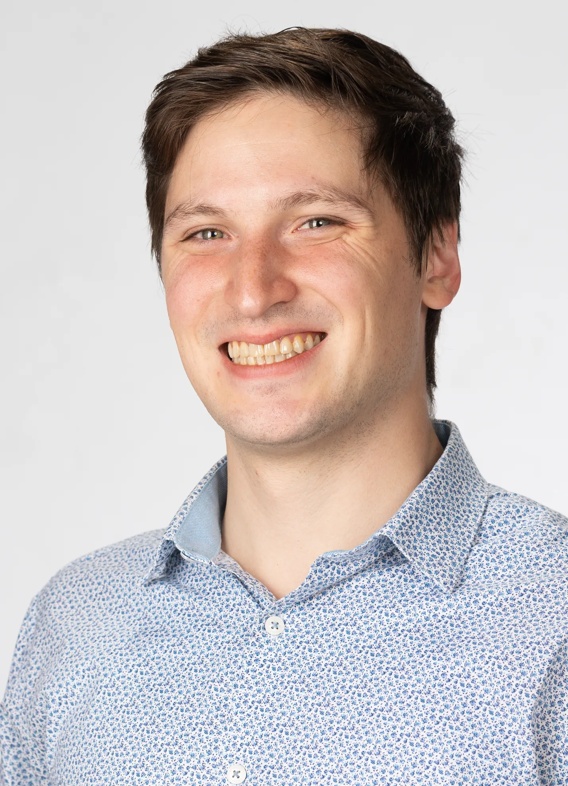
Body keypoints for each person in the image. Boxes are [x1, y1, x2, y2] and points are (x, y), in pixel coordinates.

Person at [2, 27, 567, 786]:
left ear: (435, 256)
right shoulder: (71, 630)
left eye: (316, 223)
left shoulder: (553, 618)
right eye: (207, 233)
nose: (252, 288)